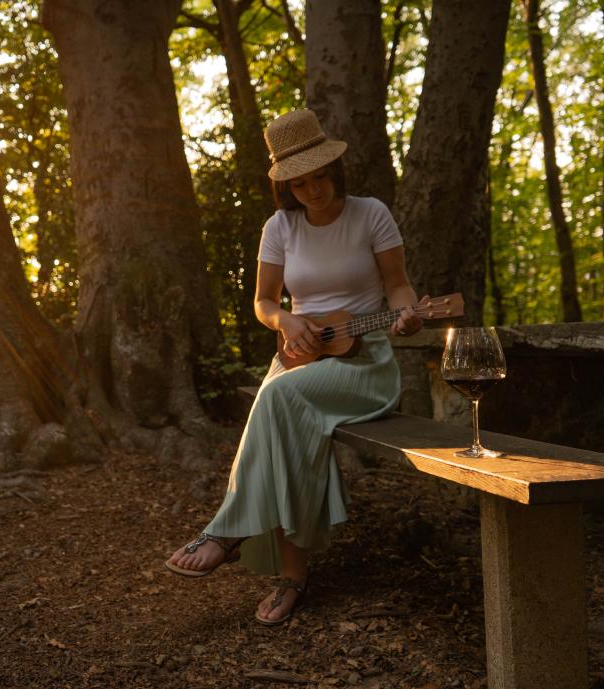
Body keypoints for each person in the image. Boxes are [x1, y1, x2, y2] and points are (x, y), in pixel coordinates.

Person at [165, 109, 425, 625]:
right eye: (298, 184)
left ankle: (230, 528)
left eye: (319, 177)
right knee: (283, 408)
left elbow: (398, 286)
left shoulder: (371, 214)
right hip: (300, 355)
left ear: (335, 169)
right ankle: (291, 578)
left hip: (365, 364)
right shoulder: (279, 227)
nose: (312, 191)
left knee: (278, 399)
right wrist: (285, 320)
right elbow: (264, 302)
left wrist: (409, 312)